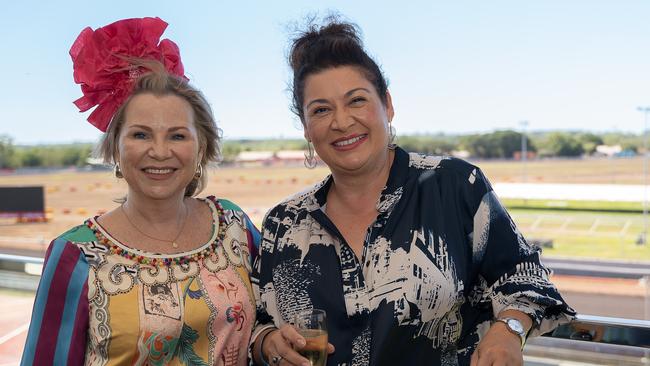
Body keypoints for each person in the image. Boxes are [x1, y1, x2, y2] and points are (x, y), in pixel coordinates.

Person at [250, 16, 575, 366]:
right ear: (306, 127)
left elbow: (527, 278)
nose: (341, 121)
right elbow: (256, 325)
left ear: (387, 104)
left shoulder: (453, 185)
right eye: (321, 109)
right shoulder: (283, 223)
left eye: (356, 101)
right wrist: (268, 343)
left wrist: (508, 330)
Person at [21, 17, 259, 365]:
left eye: (177, 135)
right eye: (141, 134)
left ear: (202, 149)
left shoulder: (235, 226)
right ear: (115, 149)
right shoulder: (75, 255)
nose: (160, 151)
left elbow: (273, 320)